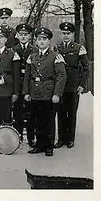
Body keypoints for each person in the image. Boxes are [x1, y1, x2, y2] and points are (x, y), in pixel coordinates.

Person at [24, 27, 67, 157]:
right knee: (37, 120)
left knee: (48, 120)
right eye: (39, 39)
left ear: (49, 41)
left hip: (48, 93)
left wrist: (57, 94)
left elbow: (61, 76)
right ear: (36, 41)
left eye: (44, 39)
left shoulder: (55, 56)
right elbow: (27, 76)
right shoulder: (32, 57)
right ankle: (39, 145)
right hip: (34, 92)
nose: (41, 41)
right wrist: (26, 92)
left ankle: (49, 146)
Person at [53, 22, 90, 149]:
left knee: (72, 112)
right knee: (60, 112)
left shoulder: (78, 48)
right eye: (64, 33)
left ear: (73, 34)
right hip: (60, 85)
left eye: (68, 34)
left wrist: (82, 85)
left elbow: (86, 68)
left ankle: (70, 139)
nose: (66, 36)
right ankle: (61, 139)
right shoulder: (57, 48)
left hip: (73, 84)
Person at [12, 23, 38, 146]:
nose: (23, 37)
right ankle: (18, 136)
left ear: (30, 36)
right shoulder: (13, 50)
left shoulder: (35, 50)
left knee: (31, 111)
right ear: (17, 36)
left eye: (25, 35)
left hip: (31, 84)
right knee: (18, 111)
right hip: (17, 83)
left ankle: (31, 137)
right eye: (21, 35)